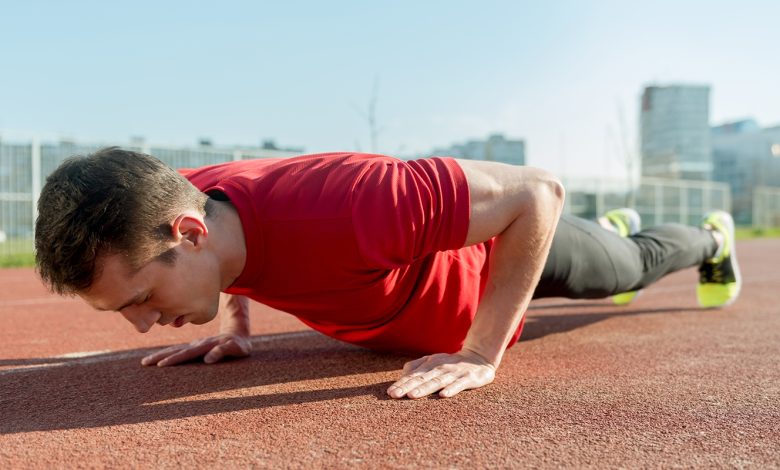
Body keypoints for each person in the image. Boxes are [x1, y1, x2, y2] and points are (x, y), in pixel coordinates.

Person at [34, 148, 741, 400]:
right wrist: (234, 323)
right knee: (612, 255)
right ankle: (610, 230)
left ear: (189, 235)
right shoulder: (182, 204)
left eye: (142, 299)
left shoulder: (353, 203)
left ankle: (710, 237)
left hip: (493, 261)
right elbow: (226, 250)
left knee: (626, 269)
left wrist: (480, 353)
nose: (143, 325)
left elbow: (538, 193)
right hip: (406, 290)